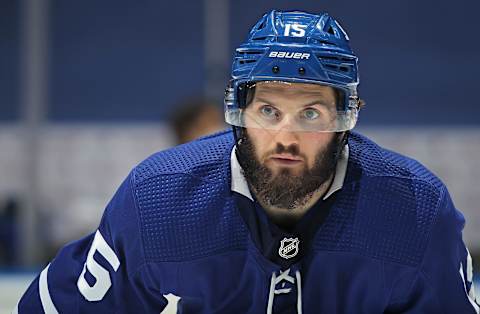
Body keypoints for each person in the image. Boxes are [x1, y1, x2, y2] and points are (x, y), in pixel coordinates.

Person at [15, 10, 478, 314]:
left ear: (345, 120)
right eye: (268, 110)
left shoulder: (415, 210)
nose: (286, 135)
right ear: (239, 113)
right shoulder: (157, 201)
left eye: (312, 113)